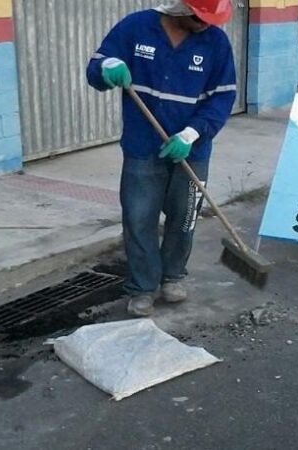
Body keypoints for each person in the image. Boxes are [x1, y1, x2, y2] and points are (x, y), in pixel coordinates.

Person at [87, 0, 237, 317]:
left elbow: (223, 97)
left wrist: (192, 134)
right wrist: (107, 67)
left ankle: (172, 276)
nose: (206, 25)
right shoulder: (136, 27)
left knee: (184, 219)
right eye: (200, 18)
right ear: (180, 8)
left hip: (192, 150)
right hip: (142, 146)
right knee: (139, 218)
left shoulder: (216, 42)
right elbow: (95, 70)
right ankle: (143, 287)